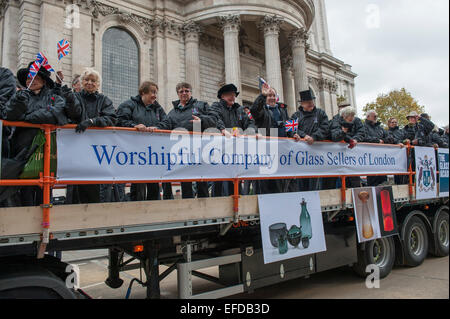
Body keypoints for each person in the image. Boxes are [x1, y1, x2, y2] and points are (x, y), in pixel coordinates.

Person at [5, 62, 75, 206]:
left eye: (36, 77)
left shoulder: (53, 97)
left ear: (43, 81)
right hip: (22, 148)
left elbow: (57, 114)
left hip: (46, 150)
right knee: (25, 188)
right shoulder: (20, 96)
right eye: (29, 77)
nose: (32, 80)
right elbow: (9, 114)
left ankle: (45, 224)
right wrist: (21, 106)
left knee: (45, 188)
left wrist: (27, 118)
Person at [153, 82, 216, 199]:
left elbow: (214, 119)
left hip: (199, 149)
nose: (184, 93)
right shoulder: (172, 113)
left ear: (191, 92)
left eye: (186, 90)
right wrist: (155, 129)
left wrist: (201, 120)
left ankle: (204, 210)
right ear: (178, 94)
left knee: (201, 181)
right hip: (181, 151)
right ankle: (189, 210)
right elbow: (165, 124)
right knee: (185, 181)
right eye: (181, 91)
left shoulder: (201, 105)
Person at [69, 67, 118, 204]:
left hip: (96, 148)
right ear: (81, 82)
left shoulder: (104, 100)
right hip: (76, 146)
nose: (89, 83)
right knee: (74, 185)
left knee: (93, 185)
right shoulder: (75, 97)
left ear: (98, 84)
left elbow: (111, 118)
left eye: (93, 80)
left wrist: (92, 122)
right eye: (86, 79)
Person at [117, 81, 170, 201]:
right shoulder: (129, 104)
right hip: (135, 152)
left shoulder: (157, 108)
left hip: (152, 153)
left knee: (154, 185)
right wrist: (134, 126)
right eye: (152, 92)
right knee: (138, 184)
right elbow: (120, 120)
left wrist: (157, 128)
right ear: (143, 92)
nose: (155, 96)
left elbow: (167, 122)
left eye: (156, 92)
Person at [209, 84, 257, 197]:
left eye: (234, 95)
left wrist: (246, 132)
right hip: (220, 151)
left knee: (235, 182)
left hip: (236, 153)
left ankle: (236, 210)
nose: (233, 97)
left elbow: (250, 123)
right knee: (219, 183)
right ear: (222, 96)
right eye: (229, 94)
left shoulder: (239, 109)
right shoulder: (216, 106)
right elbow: (214, 117)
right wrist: (223, 129)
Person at [250, 83, 289, 194]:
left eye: (273, 95)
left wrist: (293, 135)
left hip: (281, 151)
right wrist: (262, 95)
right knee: (266, 182)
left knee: (280, 182)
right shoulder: (262, 111)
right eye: (269, 96)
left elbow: (289, 126)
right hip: (266, 150)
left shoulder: (282, 111)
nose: (271, 98)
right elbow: (254, 110)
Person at [290, 89, 329, 191]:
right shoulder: (296, 116)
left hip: (315, 156)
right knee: (301, 182)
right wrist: (301, 136)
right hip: (300, 156)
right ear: (302, 103)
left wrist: (314, 137)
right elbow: (290, 129)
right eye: (308, 102)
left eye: (312, 101)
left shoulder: (321, 113)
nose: (311, 103)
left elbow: (325, 128)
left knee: (315, 182)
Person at [329, 106, 366, 188]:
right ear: (343, 116)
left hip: (352, 157)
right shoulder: (335, 121)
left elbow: (362, 132)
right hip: (336, 157)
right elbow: (335, 136)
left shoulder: (356, 121)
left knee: (354, 180)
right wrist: (345, 134)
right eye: (350, 115)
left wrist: (356, 139)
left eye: (353, 115)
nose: (352, 118)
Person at [322, 99, 351, 190]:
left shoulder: (354, 121)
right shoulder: (335, 121)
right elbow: (335, 136)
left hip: (346, 158)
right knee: (331, 183)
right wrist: (344, 132)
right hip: (333, 158)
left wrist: (352, 139)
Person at [363, 110, 391, 186]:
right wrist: (377, 141)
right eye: (374, 116)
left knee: (383, 180)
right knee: (372, 179)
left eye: (376, 116)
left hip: (382, 158)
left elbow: (389, 137)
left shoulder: (380, 128)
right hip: (370, 157)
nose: (376, 117)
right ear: (368, 117)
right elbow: (364, 137)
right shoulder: (363, 127)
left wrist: (383, 141)